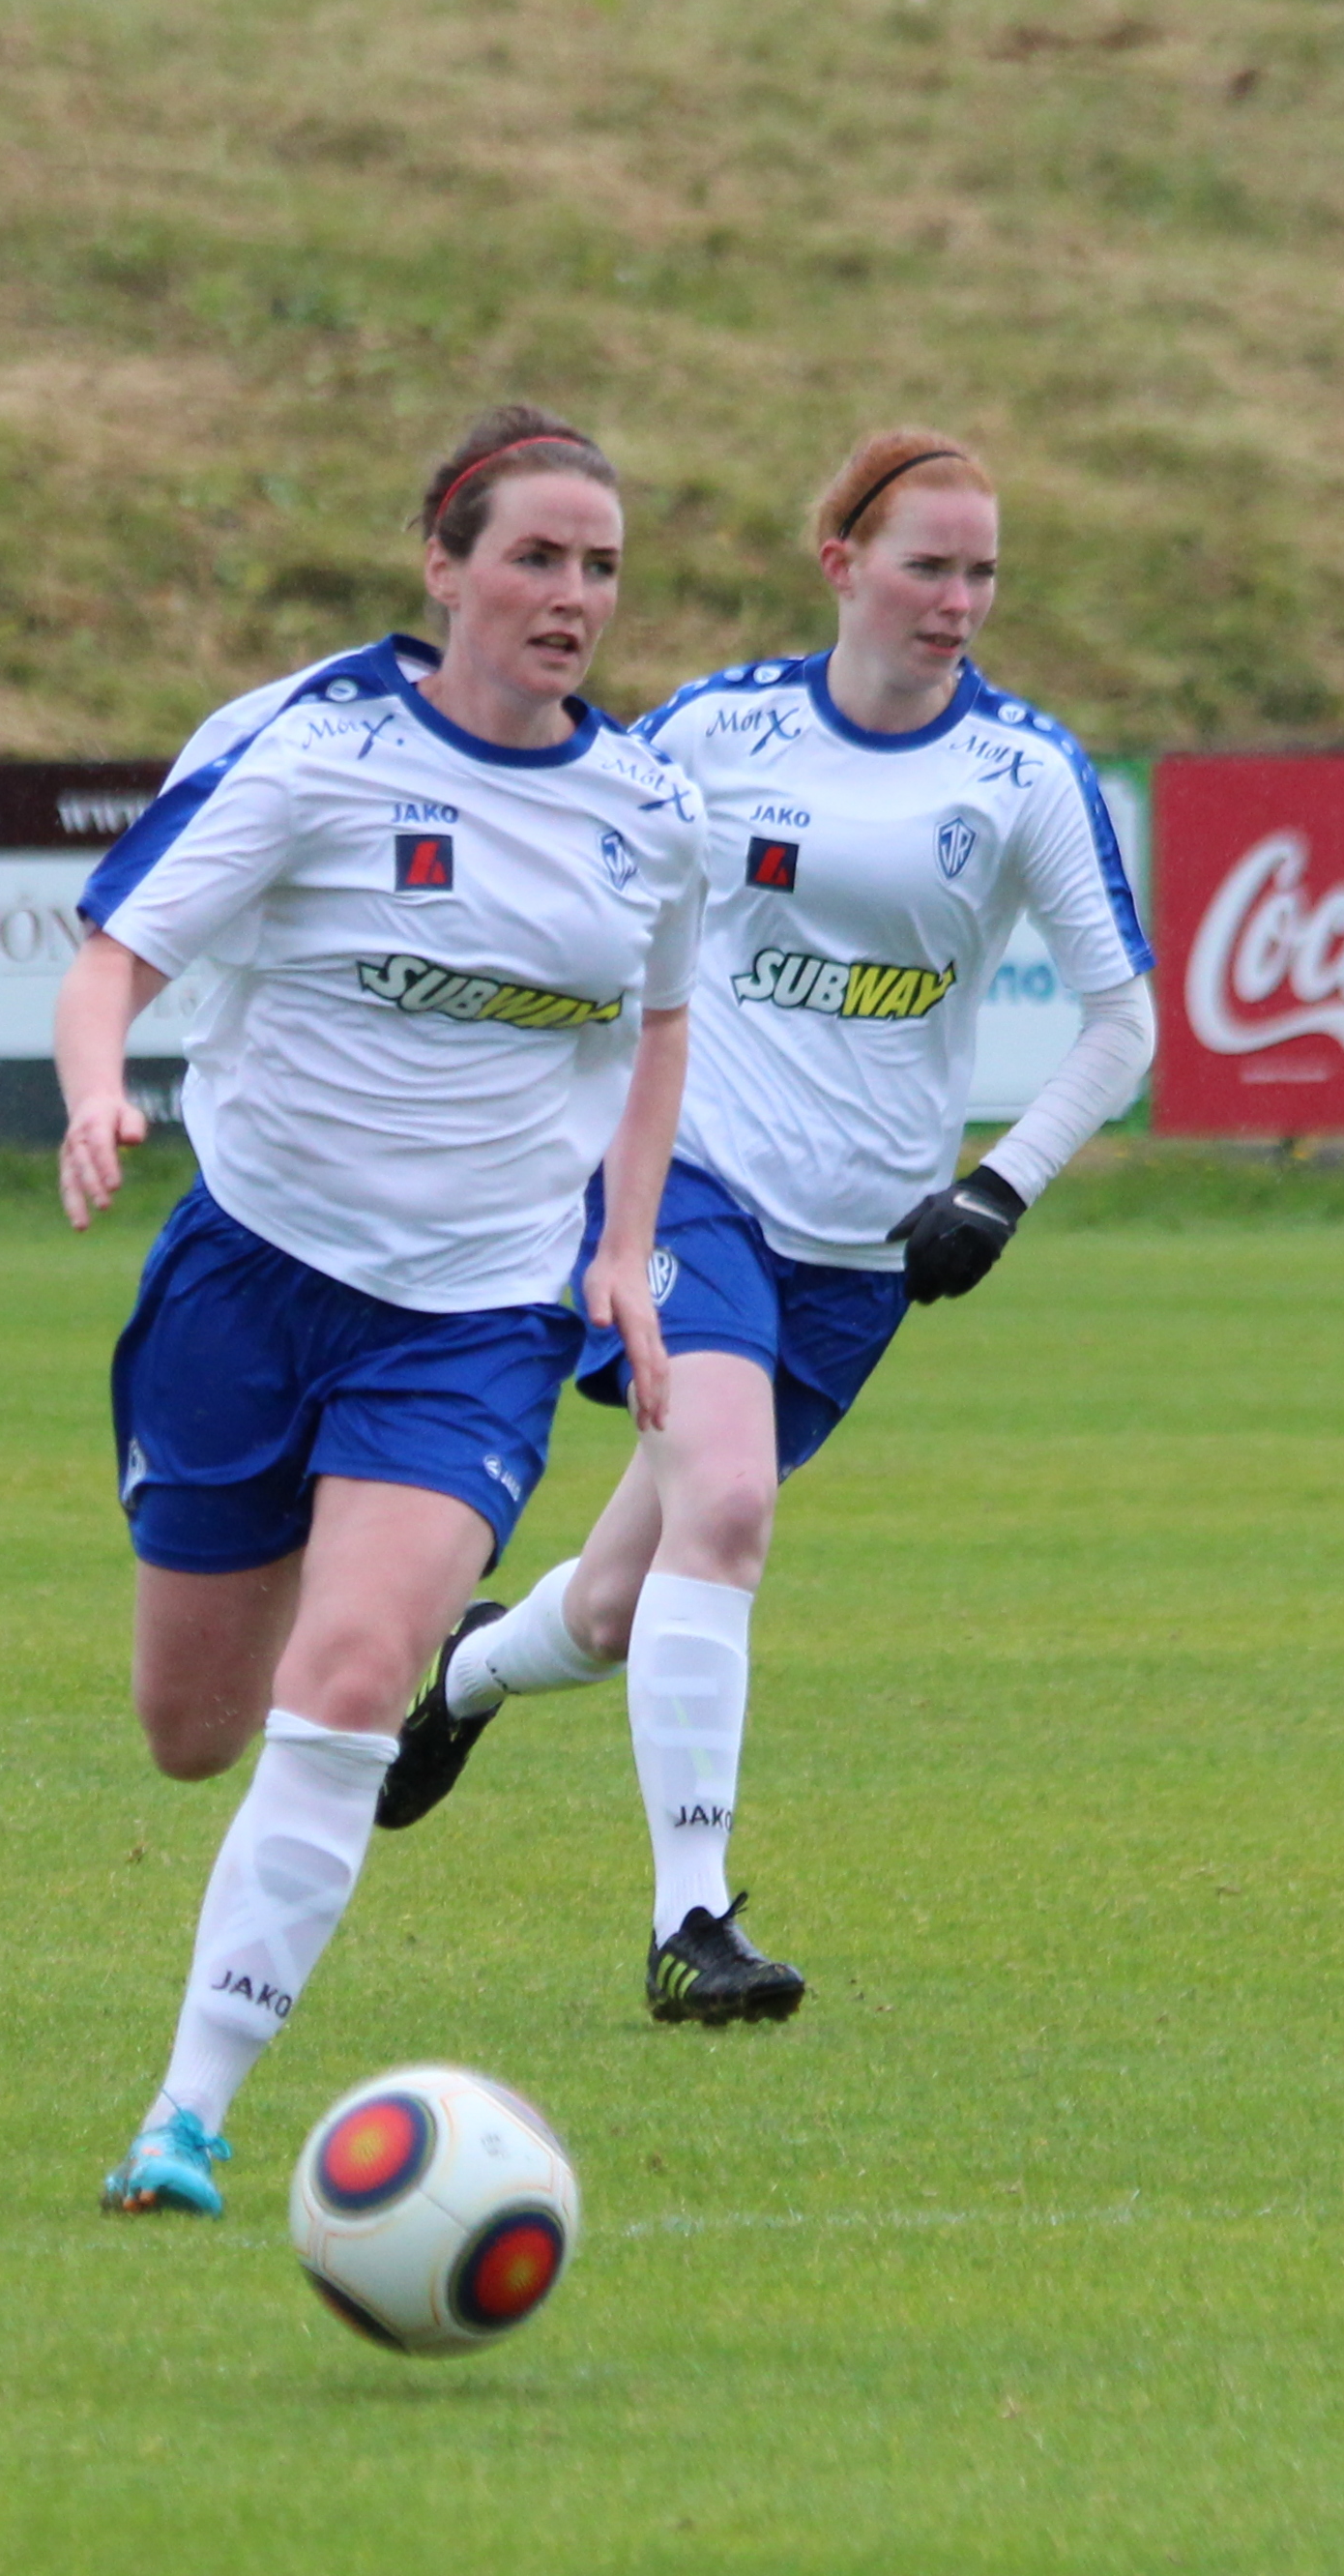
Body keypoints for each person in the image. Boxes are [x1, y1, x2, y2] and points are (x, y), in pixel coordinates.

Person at [382, 427, 1156, 2024]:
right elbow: (572, 857)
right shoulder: (718, 730)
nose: (957, 601)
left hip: (865, 1249)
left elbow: (1123, 1021)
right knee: (728, 1502)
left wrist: (1000, 1184)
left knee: (619, 1606)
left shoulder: (1023, 773)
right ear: (841, 562)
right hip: (693, 1182)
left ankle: (462, 1673)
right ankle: (692, 1924)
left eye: (983, 572)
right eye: (927, 566)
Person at [62, 407, 707, 2217]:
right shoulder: (313, 752)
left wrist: (622, 1247)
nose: (572, 596)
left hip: (474, 1320)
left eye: (600, 567)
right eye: (535, 558)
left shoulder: (651, 811)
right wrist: (97, 1090)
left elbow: (661, 1026)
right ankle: (322, 1584)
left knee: (348, 1682)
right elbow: (116, 952)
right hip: (252, 1277)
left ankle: (184, 2116)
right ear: (444, 566)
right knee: (193, 1727)